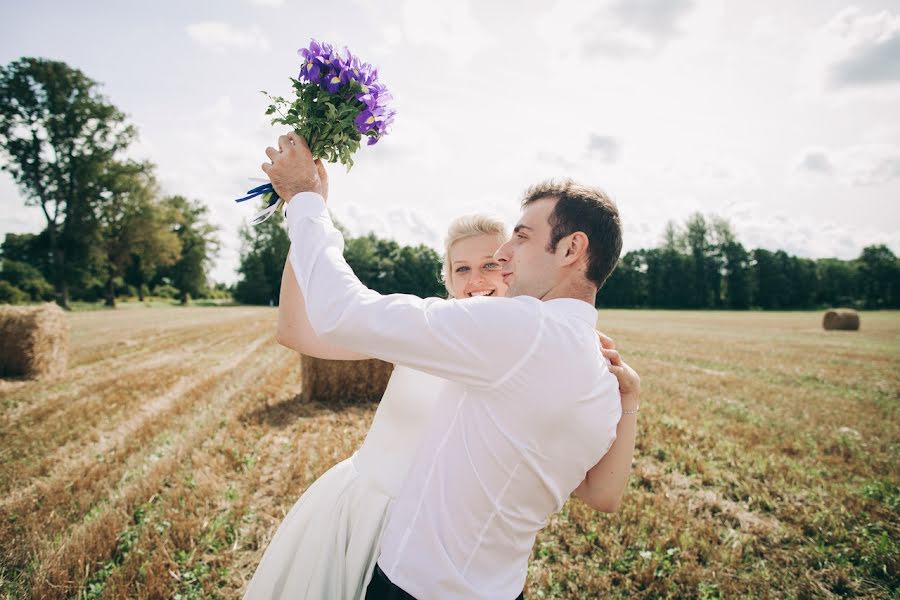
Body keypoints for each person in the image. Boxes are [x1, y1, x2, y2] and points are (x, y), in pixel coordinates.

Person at [252, 132, 639, 599]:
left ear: (572, 249)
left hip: (414, 581)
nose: (499, 260)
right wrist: (630, 401)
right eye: (463, 268)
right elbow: (602, 494)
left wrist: (306, 204)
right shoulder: (588, 369)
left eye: (519, 239)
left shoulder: (517, 331)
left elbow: (343, 313)